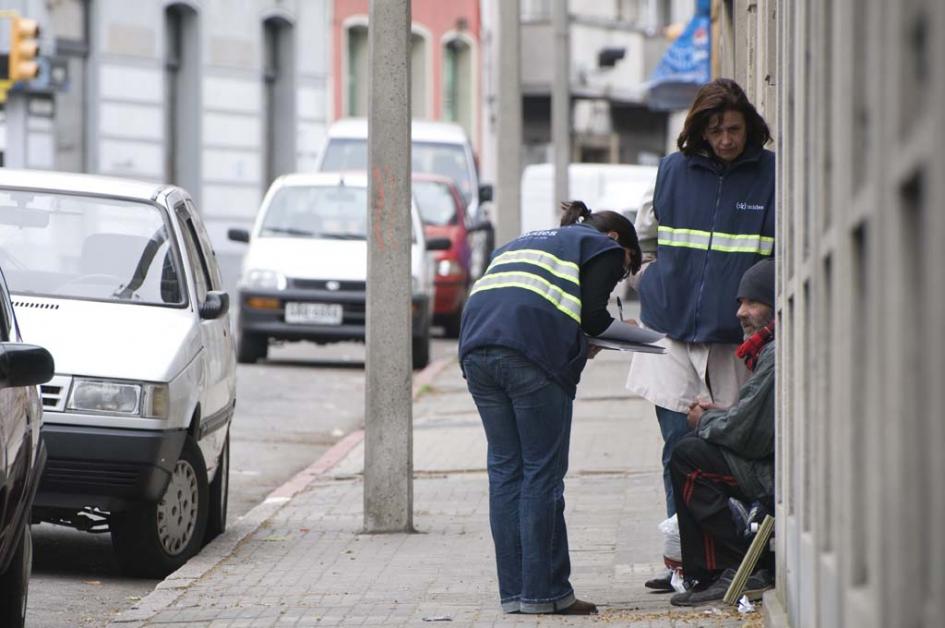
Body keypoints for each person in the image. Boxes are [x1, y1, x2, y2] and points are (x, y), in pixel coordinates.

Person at [625, 78, 775, 592]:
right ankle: (683, 562)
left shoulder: (770, 176)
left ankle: (726, 558)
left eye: (734, 129)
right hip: (670, 331)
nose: (726, 139)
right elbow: (645, 234)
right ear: (699, 130)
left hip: (733, 340)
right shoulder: (673, 170)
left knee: (721, 452)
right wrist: (648, 276)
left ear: (749, 127)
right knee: (676, 449)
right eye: (716, 130)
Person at [459, 201, 642, 615]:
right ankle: (545, 594)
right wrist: (630, 335)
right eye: (625, 268)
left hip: (476, 350)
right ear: (616, 242)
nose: (619, 277)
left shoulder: (521, 243)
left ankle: (515, 595)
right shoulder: (601, 247)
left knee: (506, 473)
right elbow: (594, 318)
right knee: (541, 474)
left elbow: (545, 305)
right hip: (529, 357)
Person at [667, 258, 776, 606]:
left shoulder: (775, 354)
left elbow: (748, 434)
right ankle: (711, 571)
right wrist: (721, 415)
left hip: (770, 471)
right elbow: (752, 417)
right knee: (690, 450)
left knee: (689, 457)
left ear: (775, 307)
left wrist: (705, 421)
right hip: (769, 461)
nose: (741, 312)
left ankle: (733, 567)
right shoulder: (768, 349)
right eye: (740, 303)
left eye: (753, 303)